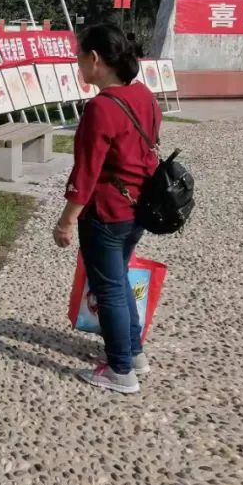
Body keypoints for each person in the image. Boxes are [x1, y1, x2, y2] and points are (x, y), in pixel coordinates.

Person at [53, 23, 161, 395]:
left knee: (110, 288)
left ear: (95, 59)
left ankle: (120, 370)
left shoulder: (100, 107)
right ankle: (133, 353)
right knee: (119, 282)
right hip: (138, 208)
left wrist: (66, 221)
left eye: (80, 59)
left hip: (106, 211)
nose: (78, 66)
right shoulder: (144, 96)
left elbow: (86, 171)